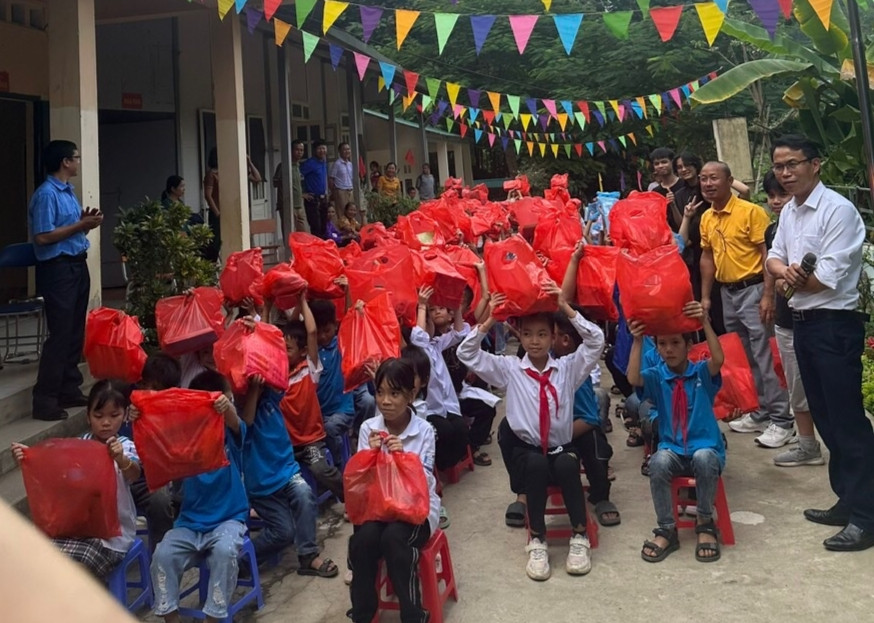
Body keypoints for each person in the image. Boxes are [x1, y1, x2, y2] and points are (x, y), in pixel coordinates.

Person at [457, 273, 605, 581]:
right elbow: (466, 353)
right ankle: (537, 539)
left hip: (561, 446)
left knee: (566, 463)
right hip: (526, 451)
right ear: (520, 337)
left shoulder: (567, 369)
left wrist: (565, 307)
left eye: (541, 334)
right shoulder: (510, 369)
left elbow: (595, 341)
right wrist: (489, 321)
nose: (535, 341)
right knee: (535, 465)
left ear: (553, 337)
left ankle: (579, 537)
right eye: (528, 334)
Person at [766, 134, 874, 552]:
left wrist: (790, 277)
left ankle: (866, 517)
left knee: (848, 423)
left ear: (816, 164)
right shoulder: (790, 213)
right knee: (826, 418)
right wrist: (782, 273)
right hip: (803, 325)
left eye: (793, 164)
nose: (786, 173)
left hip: (835, 326)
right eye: (779, 166)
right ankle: (847, 501)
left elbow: (822, 277)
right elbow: (774, 255)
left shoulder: (838, 212)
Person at [698, 161, 792, 448]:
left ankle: (782, 419)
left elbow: (768, 254)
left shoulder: (751, 212)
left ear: (729, 180)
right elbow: (707, 258)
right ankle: (762, 411)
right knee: (744, 356)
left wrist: (767, 295)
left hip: (754, 289)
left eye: (714, 178)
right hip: (728, 293)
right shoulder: (707, 218)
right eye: (703, 179)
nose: (708, 184)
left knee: (764, 353)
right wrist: (705, 296)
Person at [627, 301, 726, 563]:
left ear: (688, 346)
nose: (668, 350)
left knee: (705, 458)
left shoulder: (701, 373)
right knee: (657, 461)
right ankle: (667, 528)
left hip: (705, 448)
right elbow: (633, 379)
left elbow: (719, 359)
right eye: (662, 344)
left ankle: (705, 522)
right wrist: (637, 341)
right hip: (673, 449)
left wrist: (704, 321)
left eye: (675, 343)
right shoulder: (658, 376)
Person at [12, 380, 140, 578]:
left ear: (124, 416)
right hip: (74, 528)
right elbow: (56, 477)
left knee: (74, 571)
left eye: (114, 416)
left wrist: (121, 459)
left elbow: (134, 473)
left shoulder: (125, 446)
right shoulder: (77, 447)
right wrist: (31, 460)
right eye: (98, 416)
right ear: (88, 417)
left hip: (112, 536)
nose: (106, 422)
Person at [148, 370, 248, 623]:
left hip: (229, 520)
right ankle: (172, 619)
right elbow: (156, 432)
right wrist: (141, 416)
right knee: (162, 555)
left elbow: (236, 424)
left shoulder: (230, 435)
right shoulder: (183, 438)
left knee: (225, 553)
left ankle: (212, 619)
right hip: (189, 523)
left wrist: (226, 409)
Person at [348, 358, 440, 623]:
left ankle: (414, 615)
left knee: (394, 541)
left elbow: (424, 483)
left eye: (395, 393)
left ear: (411, 396)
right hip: (380, 507)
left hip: (416, 509)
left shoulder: (424, 430)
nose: (385, 401)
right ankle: (362, 615)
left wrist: (404, 459)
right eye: (380, 392)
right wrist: (370, 455)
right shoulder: (369, 428)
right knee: (362, 541)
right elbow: (362, 484)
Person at [239, 333, 336, 577]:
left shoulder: (273, 397)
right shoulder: (238, 417)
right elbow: (247, 420)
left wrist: (257, 327)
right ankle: (242, 561)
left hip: (287, 472)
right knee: (283, 533)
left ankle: (308, 556)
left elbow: (277, 357)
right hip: (262, 487)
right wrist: (252, 390)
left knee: (304, 494)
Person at [28, 140, 102, 421]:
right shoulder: (47, 194)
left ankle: (68, 388)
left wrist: (84, 222)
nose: (79, 162)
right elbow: (43, 236)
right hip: (57, 268)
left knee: (74, 331)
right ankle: (45, 398)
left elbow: (67, 230)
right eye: (76, 157)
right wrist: (80, 226)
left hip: (75, 264)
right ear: (65, 162)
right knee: (59, 334)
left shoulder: (68, 192)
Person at [761, 170, 823, 468]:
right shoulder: (774, 229)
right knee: (795, 383)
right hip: (786, 318)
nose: (777, 201)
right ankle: (807, 443)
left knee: (823, 385)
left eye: (782, 195)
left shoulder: (825, 217)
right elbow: (771, 263)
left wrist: (791, 280)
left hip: (818, 317)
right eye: (772, 196)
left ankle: (828, 444)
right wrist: (771, 293)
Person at [279, 294, 345, 501]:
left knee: (320, 469)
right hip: (286, 445)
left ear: (303, 351)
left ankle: (351, 498)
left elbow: (312, 331)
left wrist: (302, 300)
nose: (281, 352)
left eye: (287, 349)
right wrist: (267, 307)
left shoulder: (309, 369)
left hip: (310, 442)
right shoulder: (276, 376)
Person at [410, 287, 472, 475]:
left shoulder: (435, 345)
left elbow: (460, 333)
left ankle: (450, 463)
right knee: (445, 431)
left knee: (461, 427)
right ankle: (441, 465)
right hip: (430, 410)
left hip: (447, 406)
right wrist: (422, 307)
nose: (430, 325)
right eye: (428, 321)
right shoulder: (417, 351)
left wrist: (457, 308)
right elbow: (418, 337)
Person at [128, 353, 182, 551]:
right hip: (123, 477)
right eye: (145, 386)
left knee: (161, 499)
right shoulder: (127, 408)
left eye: (157, 388)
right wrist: (129, 419)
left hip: (154, 481)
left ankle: (160, 555)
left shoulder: (177, 413)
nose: (149, 392)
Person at [309, 297, 357, 465]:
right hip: (318, 415)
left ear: (335, 326)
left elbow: (350, 320)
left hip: (342, 411)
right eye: (318, 331)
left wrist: (347, 292)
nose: (323, 336)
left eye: (327, 330)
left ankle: (339, 468)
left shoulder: (341, 344)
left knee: (329, 428)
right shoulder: (309, 352)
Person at [648, 147, 684, 231]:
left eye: (664, 162)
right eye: (657, 164)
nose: (660, 166)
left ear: (672, 162)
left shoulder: (684, 184)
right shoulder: (655, 192)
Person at [300, 140, 329, 237]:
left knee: (324, 226)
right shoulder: (310, 163)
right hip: (313, 199)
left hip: (323, 198)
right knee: (316, 226)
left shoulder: (324, 162)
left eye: (324, 148)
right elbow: (298, 177)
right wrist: (302, 193)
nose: (322, 151)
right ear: (314, 150)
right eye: (319, 149)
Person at [330, 142, 355, 216]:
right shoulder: (337, 164)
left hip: (350, 190)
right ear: (340, 151)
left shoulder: (350, 164)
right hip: (341, 191)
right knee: (342, 212)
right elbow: (331, 178)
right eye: (344, 149)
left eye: (348, 149)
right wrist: (333, 192)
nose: (347, 151)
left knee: (351, 212)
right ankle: (343, 227)